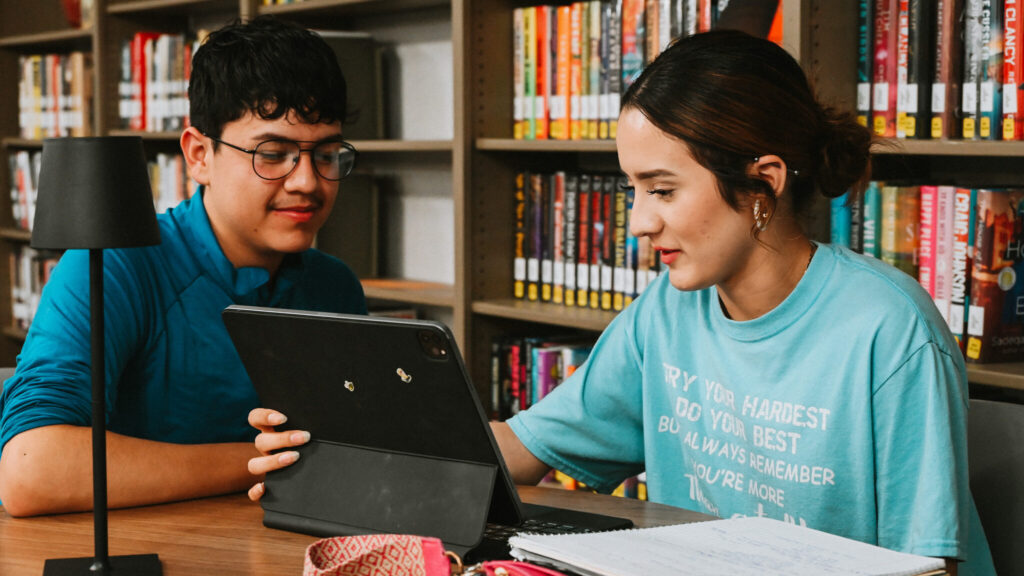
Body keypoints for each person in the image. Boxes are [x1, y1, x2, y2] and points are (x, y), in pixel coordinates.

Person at [247, 30, 994, 575]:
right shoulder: (667, 313)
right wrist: (346, 451)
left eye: (662, 190)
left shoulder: (888, 332)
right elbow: (519, 452)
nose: (638, 221)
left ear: (763, 181)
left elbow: (929, 565)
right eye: (633, 190)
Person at [0, 15, 367, 516]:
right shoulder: (114, 268)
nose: (308, 181)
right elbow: (30, 469)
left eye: (326, 154)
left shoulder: (334, 287)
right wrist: (257, 461)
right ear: (199, 155)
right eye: (273, 153)